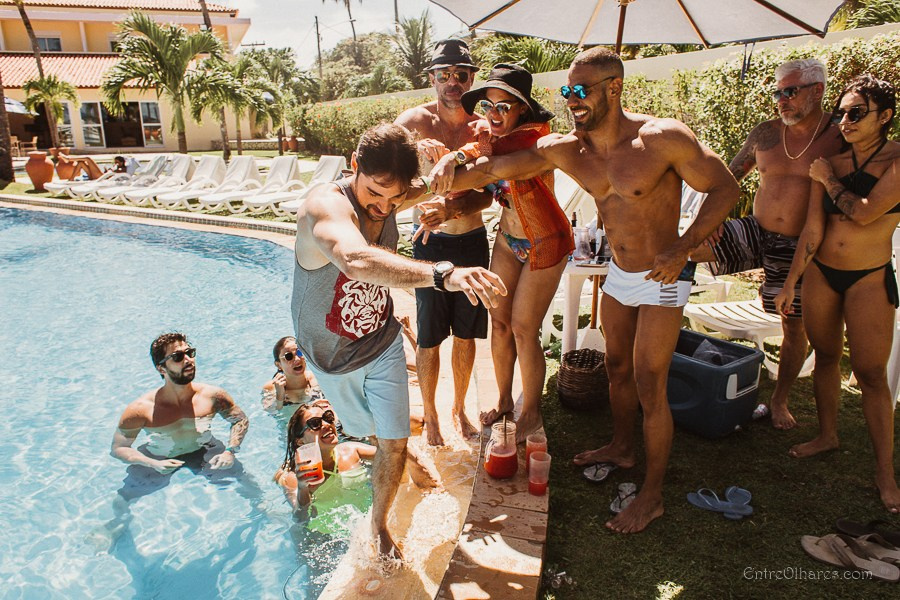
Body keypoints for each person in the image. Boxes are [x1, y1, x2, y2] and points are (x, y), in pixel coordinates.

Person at [415, 48, 739, 533]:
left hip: (665, 275)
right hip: (620, 273)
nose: (572, 100)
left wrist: (683, 248)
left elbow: (726, 189)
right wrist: (438, 177)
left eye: (581, 90)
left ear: (615, 87)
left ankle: (651, 496)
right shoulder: (572, 148)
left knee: (651, 382)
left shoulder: (662, 138)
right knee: (614, 366)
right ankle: (623, 446)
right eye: (566, 91)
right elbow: (498, 170)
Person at [292, 123, 506, 557]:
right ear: (355, 166)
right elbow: (354, 260)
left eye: (395, 200)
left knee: (393, 440)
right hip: (333, 358)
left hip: (382, 339)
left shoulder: (392, 194)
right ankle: (395, 455)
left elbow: (444, 181)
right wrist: (443, 273)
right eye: (375, 194)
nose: (384, 207)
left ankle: (379, 526)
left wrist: (453, 157)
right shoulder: (324, 206)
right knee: (366, 430)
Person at [423, 63, 575, 442]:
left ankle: (532, 413)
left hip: (545, 243)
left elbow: (487, 164)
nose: (493, 114)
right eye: (489, 106)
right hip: (509, 240)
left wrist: (450, 160)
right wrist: (451, 158)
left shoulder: (536, 139)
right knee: (500, 323)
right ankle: (505, 400)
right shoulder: (497, 136)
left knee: (524, 329)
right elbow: (480, 150)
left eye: (504, 107)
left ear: (522, 109)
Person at [691, 58, 843, 429]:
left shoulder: (838, 135)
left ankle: (779, 399)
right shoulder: (766, 133)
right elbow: (728, 177)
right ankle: (669, 350)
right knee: (687, 249)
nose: (782, 100)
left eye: (790, 91)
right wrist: (709, 221)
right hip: (757, 230)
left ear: (817, 90)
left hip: (801, 242)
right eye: (778, 92)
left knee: (793, 324)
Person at [773, 74, 900, 513]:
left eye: (857, 112)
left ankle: (885, 472)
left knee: (869, 374)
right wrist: (791, 281)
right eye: (842, 112)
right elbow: (814, 226)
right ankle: (827, 435)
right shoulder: (832, 161)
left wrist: (826, 180)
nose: (844, 120)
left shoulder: (895, 162)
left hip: (868, 277)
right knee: (825, 355)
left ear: (884, 117)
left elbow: (865, 215)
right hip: (823, 273)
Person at [394, 38, 493, 446]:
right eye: (445, 74)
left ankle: (459, 408)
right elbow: (387, 169)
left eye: (461, 75)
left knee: (466, 335)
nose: (453, 82)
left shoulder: (482, 126)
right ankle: (432, 415)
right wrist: (416, 148)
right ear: (431, 77)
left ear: (471, 79)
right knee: (431, 336)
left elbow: (490, 192)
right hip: (429, 245)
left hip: (471, 239)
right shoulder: (412, 121)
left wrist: (453, 210)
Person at [111, 333, 249, 475]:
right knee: (125, 497)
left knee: (248, 484)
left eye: (190, 353)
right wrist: (152, 463)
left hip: (206, 449)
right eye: (178, 356)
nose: (188, 360)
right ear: (161, 368)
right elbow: (119, 448)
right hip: (158, 457)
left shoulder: (213, 396)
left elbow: (240, 420)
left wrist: (230, 451)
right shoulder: (141, 409)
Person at [274, 400, 376, 514]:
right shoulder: (293, 478)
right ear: (301, 442)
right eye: (315, 423)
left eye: (328, 417)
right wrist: (303, 488)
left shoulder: (352, 451)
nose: (327, 424)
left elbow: (394, 456)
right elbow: (301, 519)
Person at [261, 336, 324, 412]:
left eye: (299, 352)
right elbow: (272, 412)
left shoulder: (317, 378)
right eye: (289, 356)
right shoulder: (271, 388)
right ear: (278, 365)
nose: (297, 359)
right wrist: (280, 395)